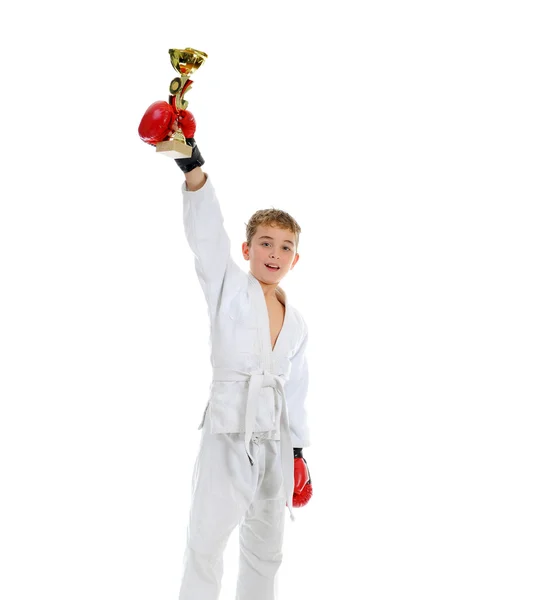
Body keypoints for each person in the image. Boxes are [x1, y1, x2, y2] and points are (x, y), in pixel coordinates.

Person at [139, 103, 313, 600]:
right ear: (247, 249)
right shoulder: (227, 286)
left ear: (295, 258)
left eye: (284, 246)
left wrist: (298, 452)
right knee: (207, 542)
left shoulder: (297, 322)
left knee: (267, 548)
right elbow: (207, 236)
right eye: (265, 243)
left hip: (274, 438)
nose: (274, 254)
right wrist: (193, 166)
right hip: (227, 431)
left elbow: (297, 389)